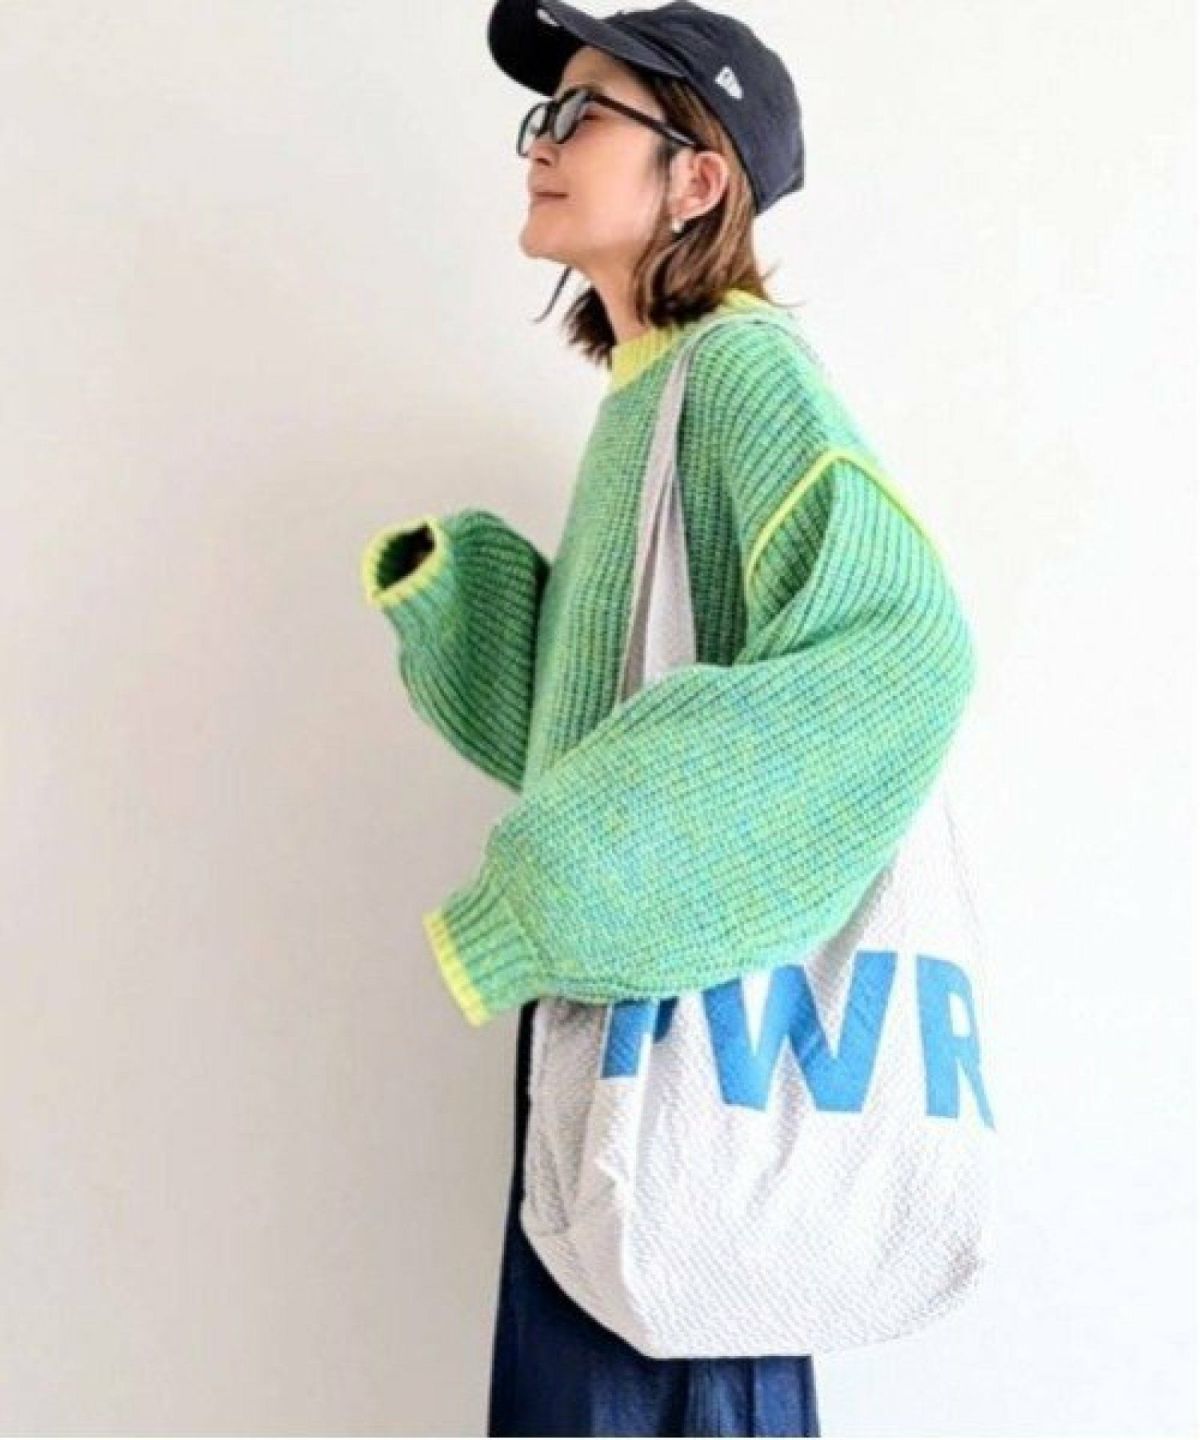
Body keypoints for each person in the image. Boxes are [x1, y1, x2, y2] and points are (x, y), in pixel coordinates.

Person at [360, 2, 978, 1433]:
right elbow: (615, 723)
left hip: (686, 1027)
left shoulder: (743, 373)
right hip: (622, 1009)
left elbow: (904, 648)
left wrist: (545, 892)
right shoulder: (648, 395)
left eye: (583, 114)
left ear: (697, 178)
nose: (542, 142)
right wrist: (467, 607)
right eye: (543, 115)